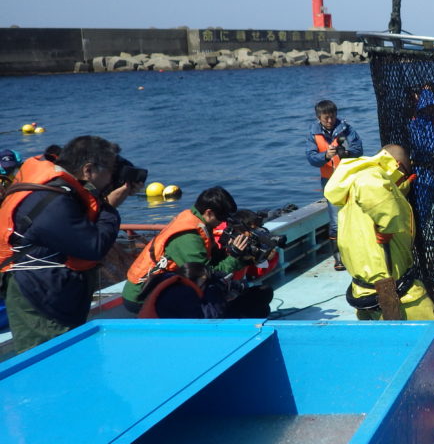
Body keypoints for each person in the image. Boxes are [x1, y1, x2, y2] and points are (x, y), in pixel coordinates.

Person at [323, 144, 434, 414]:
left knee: (386, 351)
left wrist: (402, 187)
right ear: (396, 167)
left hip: (364, 291)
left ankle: (393, 408)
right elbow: (377, 190)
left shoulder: (351, 182)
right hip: (393, 292)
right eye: (404, 175)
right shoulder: (369, 178)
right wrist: (390, 222)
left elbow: (385, 190)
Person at [0, 136, 138, 353]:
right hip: (40, 300)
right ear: (88, 169)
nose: (113, 177)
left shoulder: (61, 190)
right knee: (49, 366)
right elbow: (94, 246)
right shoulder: (51, 201)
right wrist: (110, 208)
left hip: (52, 292)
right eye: (110, 170)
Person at [121, 186, 248, 314]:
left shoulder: (197, 221)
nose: (223, 222)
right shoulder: (188, 237)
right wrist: (234, 257)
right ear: (209, 213)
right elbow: (206, 275)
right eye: (222, 217)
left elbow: (210, 262)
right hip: (141, 295)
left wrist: (231, 252)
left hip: (166, 285)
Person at [306, 99, 363, 266]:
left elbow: (359, 150)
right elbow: (311, 158)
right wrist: (325, 156)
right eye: (326, 118)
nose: (330, 121)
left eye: (332, 117)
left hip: (350, 178)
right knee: (336, 220)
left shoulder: (347, 129)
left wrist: (345, 152)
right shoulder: (312, 134)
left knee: (357, 214)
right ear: (319, 118)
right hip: (330, 181)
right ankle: (338, 257)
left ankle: (357, 251)